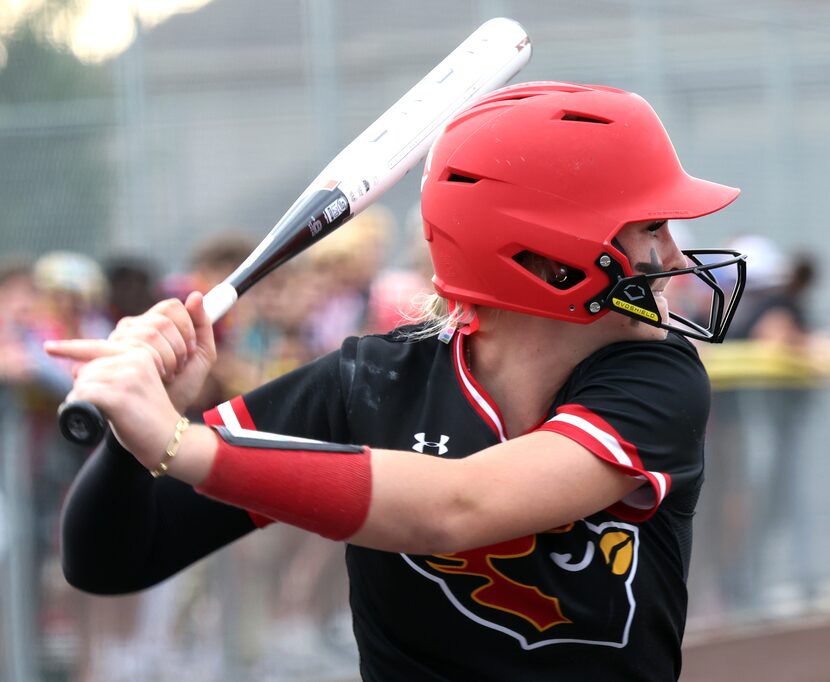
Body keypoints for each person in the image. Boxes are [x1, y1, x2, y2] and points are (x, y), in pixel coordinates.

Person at [46, 81, 747, 681]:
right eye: (651, 226)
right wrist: (131, 432)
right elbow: (113, 560)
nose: (673, 255)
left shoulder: (657, 379)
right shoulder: (371, 382)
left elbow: (458, 506)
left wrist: (180, 442)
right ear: (551, 260)